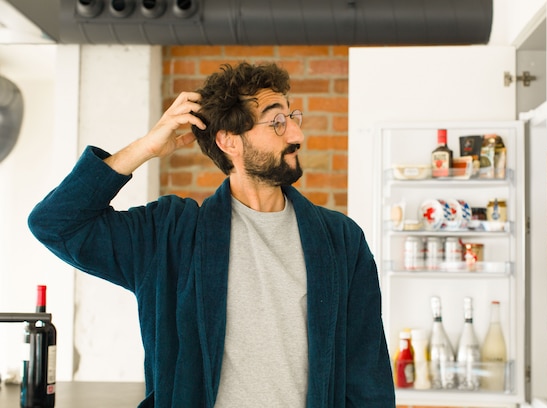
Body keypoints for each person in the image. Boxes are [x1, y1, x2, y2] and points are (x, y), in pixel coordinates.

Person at [28, 62, 395, 407]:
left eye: (293, 117)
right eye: (277, 122)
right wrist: (145, 148)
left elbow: (368, 380)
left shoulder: (340, 241)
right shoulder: (170, 236)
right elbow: (56, 223)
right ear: (229, 141)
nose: (296, 133)